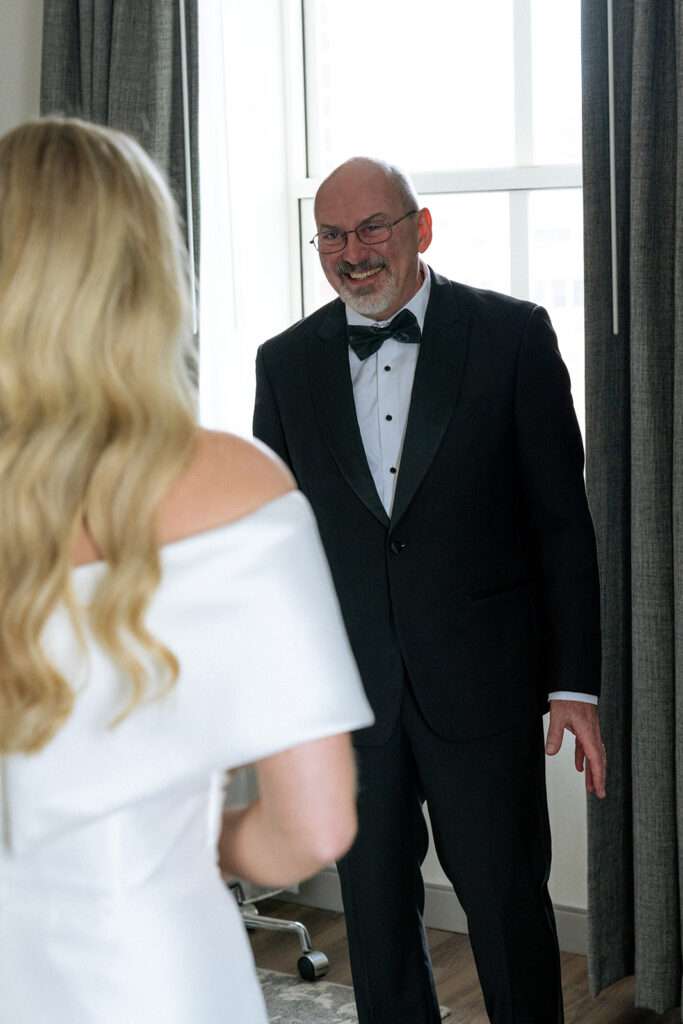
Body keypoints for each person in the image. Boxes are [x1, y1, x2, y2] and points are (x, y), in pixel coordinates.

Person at [0, 119, 374, 1024]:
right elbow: (314, 827)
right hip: (148, 969)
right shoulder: (234, 483)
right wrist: (204, 846)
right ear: (150, 275)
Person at [253, 156, 607, 1024]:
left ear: (421, 227)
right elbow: (276, 546)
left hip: (481, 684)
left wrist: (572, 684)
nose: (352, 252)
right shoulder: (284, 362)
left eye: (372, 227)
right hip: (349, 696)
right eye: (331, 235)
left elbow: (561, 521)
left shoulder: (513, 336)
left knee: (505, 911)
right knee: (372, 921)